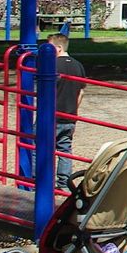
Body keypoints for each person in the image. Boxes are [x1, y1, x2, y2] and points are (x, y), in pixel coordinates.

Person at [51, 30, 87, 174]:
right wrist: (73, 111)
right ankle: (64, 182)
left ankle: (37, 181)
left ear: (58, 48)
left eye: (49, 47)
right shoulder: (78, 65)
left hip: (52, 115)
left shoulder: (52, 65)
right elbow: (81, 92)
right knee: (65, 150)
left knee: (40, 148)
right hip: (70, 116)